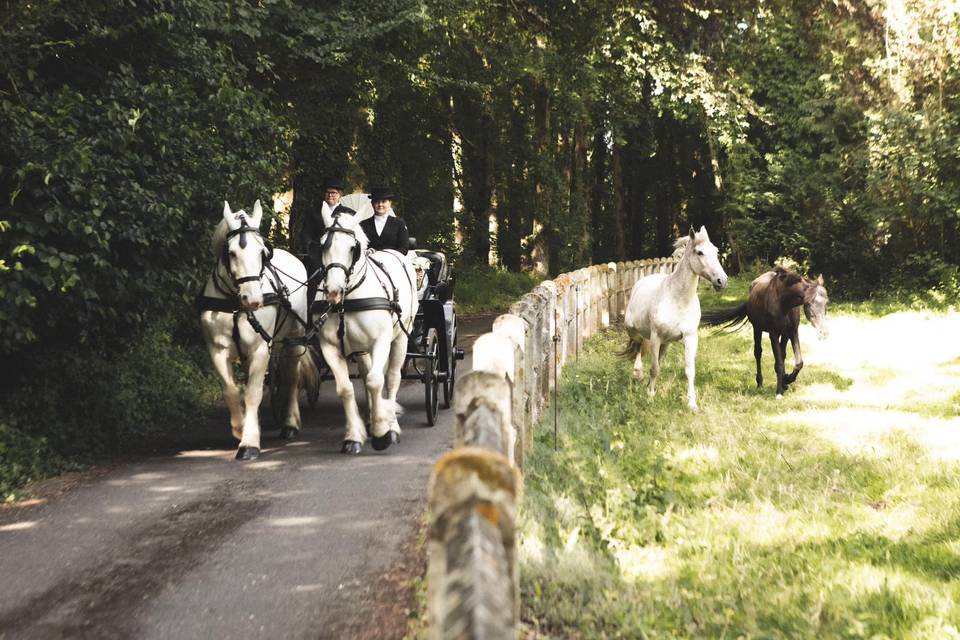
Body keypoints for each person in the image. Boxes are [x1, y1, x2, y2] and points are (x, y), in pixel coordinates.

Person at [302, 179, 356, 311]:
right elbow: (305, 234)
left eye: (333, 193)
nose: (330, 195)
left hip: (340, 256)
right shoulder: (313, 212)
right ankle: (310, 312)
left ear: (340, 195)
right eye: (327, 193)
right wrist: (312, 249)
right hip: (318, 255)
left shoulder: (349, 213)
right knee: (311, 283)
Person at [359, 187, 409, 253]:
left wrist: (386, 255)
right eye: (377, 202)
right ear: (372, 204)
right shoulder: (363, 224)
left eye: (383, 201)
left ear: (390, 203)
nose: (380, 205)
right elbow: (360, 247)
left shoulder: (399, 223)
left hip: (393, 261)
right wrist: (365, 251)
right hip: (370, 260)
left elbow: (404, 248)